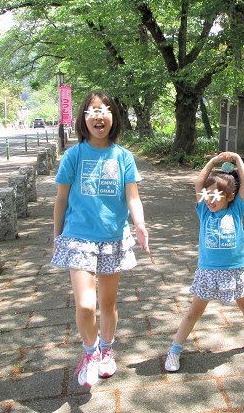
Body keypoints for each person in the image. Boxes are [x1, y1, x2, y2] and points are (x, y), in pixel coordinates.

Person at [51, 91, 150, 387]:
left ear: (113, 119)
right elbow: (61, 199)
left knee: (107, 303)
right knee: (85, 304)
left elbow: (133, 197)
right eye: (94, 109)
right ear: (84, 118)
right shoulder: (74, 155)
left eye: (106, 109)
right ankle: (90, 353)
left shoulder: (123, 157)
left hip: (113, 239)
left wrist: (140, 225)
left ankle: (107, 350)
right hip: (78, 237)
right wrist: (57, 236)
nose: (100, 114)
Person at [164, 151, 244, 372]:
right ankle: (174, 350)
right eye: (208, 194)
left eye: (216, 195)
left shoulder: (237, 210)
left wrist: (238, 160)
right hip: (208, 271)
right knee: (194, 311)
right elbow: (198, 183)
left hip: (235, 269)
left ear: (229, 196)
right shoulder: (204, 211)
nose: (210, 199)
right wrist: (213, 162)